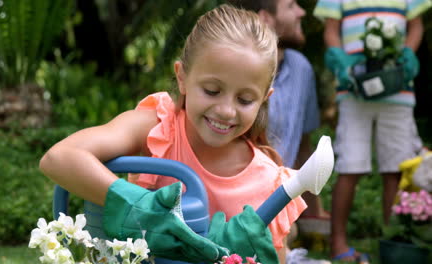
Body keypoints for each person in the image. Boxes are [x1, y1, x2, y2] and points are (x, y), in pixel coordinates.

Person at [39, 4, 325, 264]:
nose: (226, 110)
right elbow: (59, 157)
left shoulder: (269, 185)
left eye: (245, 100)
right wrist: (139, 207)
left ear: (264, 99)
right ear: (182, 78)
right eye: (212, 91)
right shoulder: (159, 129)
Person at [313, 0, 431, 262]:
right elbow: (331, 30)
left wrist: (408, 53)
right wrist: (339, 57)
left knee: (396, 169)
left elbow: (416, 26)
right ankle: (338, 244)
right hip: (354, 90)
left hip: (397, 91)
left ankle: (397, 242)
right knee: (350, 166)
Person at [228, 0, 330, 260]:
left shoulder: (301, 68)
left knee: (288, 232)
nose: (302, 12)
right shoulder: (234, 69)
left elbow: (303, 143)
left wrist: (314, 212)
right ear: (266, 18)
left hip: (281, 197)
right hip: (236, 197)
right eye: (291, 5)